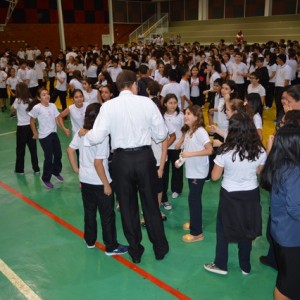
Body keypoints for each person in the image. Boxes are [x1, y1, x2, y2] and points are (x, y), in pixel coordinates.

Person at [81, 70, 169, 264]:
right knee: (151, 205)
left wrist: (84, 135)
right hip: (145, 157)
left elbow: (96, 136)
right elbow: (162, 134)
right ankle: (160, 248)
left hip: (121, 161)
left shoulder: (108, 106)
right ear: (133, 84)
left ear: (119, 86)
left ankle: (135, 251)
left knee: (128, 208)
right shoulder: (146, 103)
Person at [204, 112, 266, 275]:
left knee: (223, 228)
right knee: (247, 230)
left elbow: (215, 177)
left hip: (230, 195)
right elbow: (259, 171)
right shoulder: (259, 149)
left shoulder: (225, 151)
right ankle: (245, 266)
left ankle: (221, 264)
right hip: (251, 194)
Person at [67, 103, 128, 256]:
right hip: (100, 182)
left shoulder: (81, 132)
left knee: (89, 212)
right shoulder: (101, 136)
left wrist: (76, 169)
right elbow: (98, 162)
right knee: (107, 215)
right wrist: (107, 185)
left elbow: (70, 150)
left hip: (85, 180)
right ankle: (111, 246)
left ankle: (90, 240)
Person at [260, 117, 300, 300]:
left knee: (287, 278)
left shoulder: (278, 163)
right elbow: (295, 210)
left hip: (280, 231)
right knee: (288, 284)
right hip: (291, 236)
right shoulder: (294, 170)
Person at [178, 105, 212, 242]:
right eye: (185, 113)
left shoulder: (200, 132)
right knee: (193, 199)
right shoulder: (189, 131)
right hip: (192, 171)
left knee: (194, 200)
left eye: (189, 114)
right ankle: (195, 222)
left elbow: (209, 150)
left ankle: (197, 232)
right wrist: (181, 161)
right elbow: (187, 150)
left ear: (197, 117)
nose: (186, 116)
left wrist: (190, 154)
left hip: (198, 172)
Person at [29, 87, 63, 189]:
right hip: (44, 136)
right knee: (48, 157)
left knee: (58, 154)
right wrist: (35, 133)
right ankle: (45, 178)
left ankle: (55, 171)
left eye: (47, 93)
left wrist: (63, 128)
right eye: (43, 94)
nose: (47, 95)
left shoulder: (52, 106)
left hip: (53, 133)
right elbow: (31, 121)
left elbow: (57, 118)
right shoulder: (37, 108)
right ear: (39, 98)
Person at [10, 82, 39, 175]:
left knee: (20, 149)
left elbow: (12, 109)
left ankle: (20, 169)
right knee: (33, 149)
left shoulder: (18, 100)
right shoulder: (31, 100)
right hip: (31, 127)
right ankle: (36, 168)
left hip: (22, 128)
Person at [161, 93, 185, 209]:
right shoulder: (161, 116)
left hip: (177, 146)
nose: (173, 105)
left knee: (177, 169)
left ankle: (177, 189)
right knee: (164, 171)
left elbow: (185, 130)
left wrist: (180, 142)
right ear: (165, 103)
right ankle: (163, 193)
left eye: (175, 103)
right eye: (170, 103)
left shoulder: (180, 115)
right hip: (165, 148)